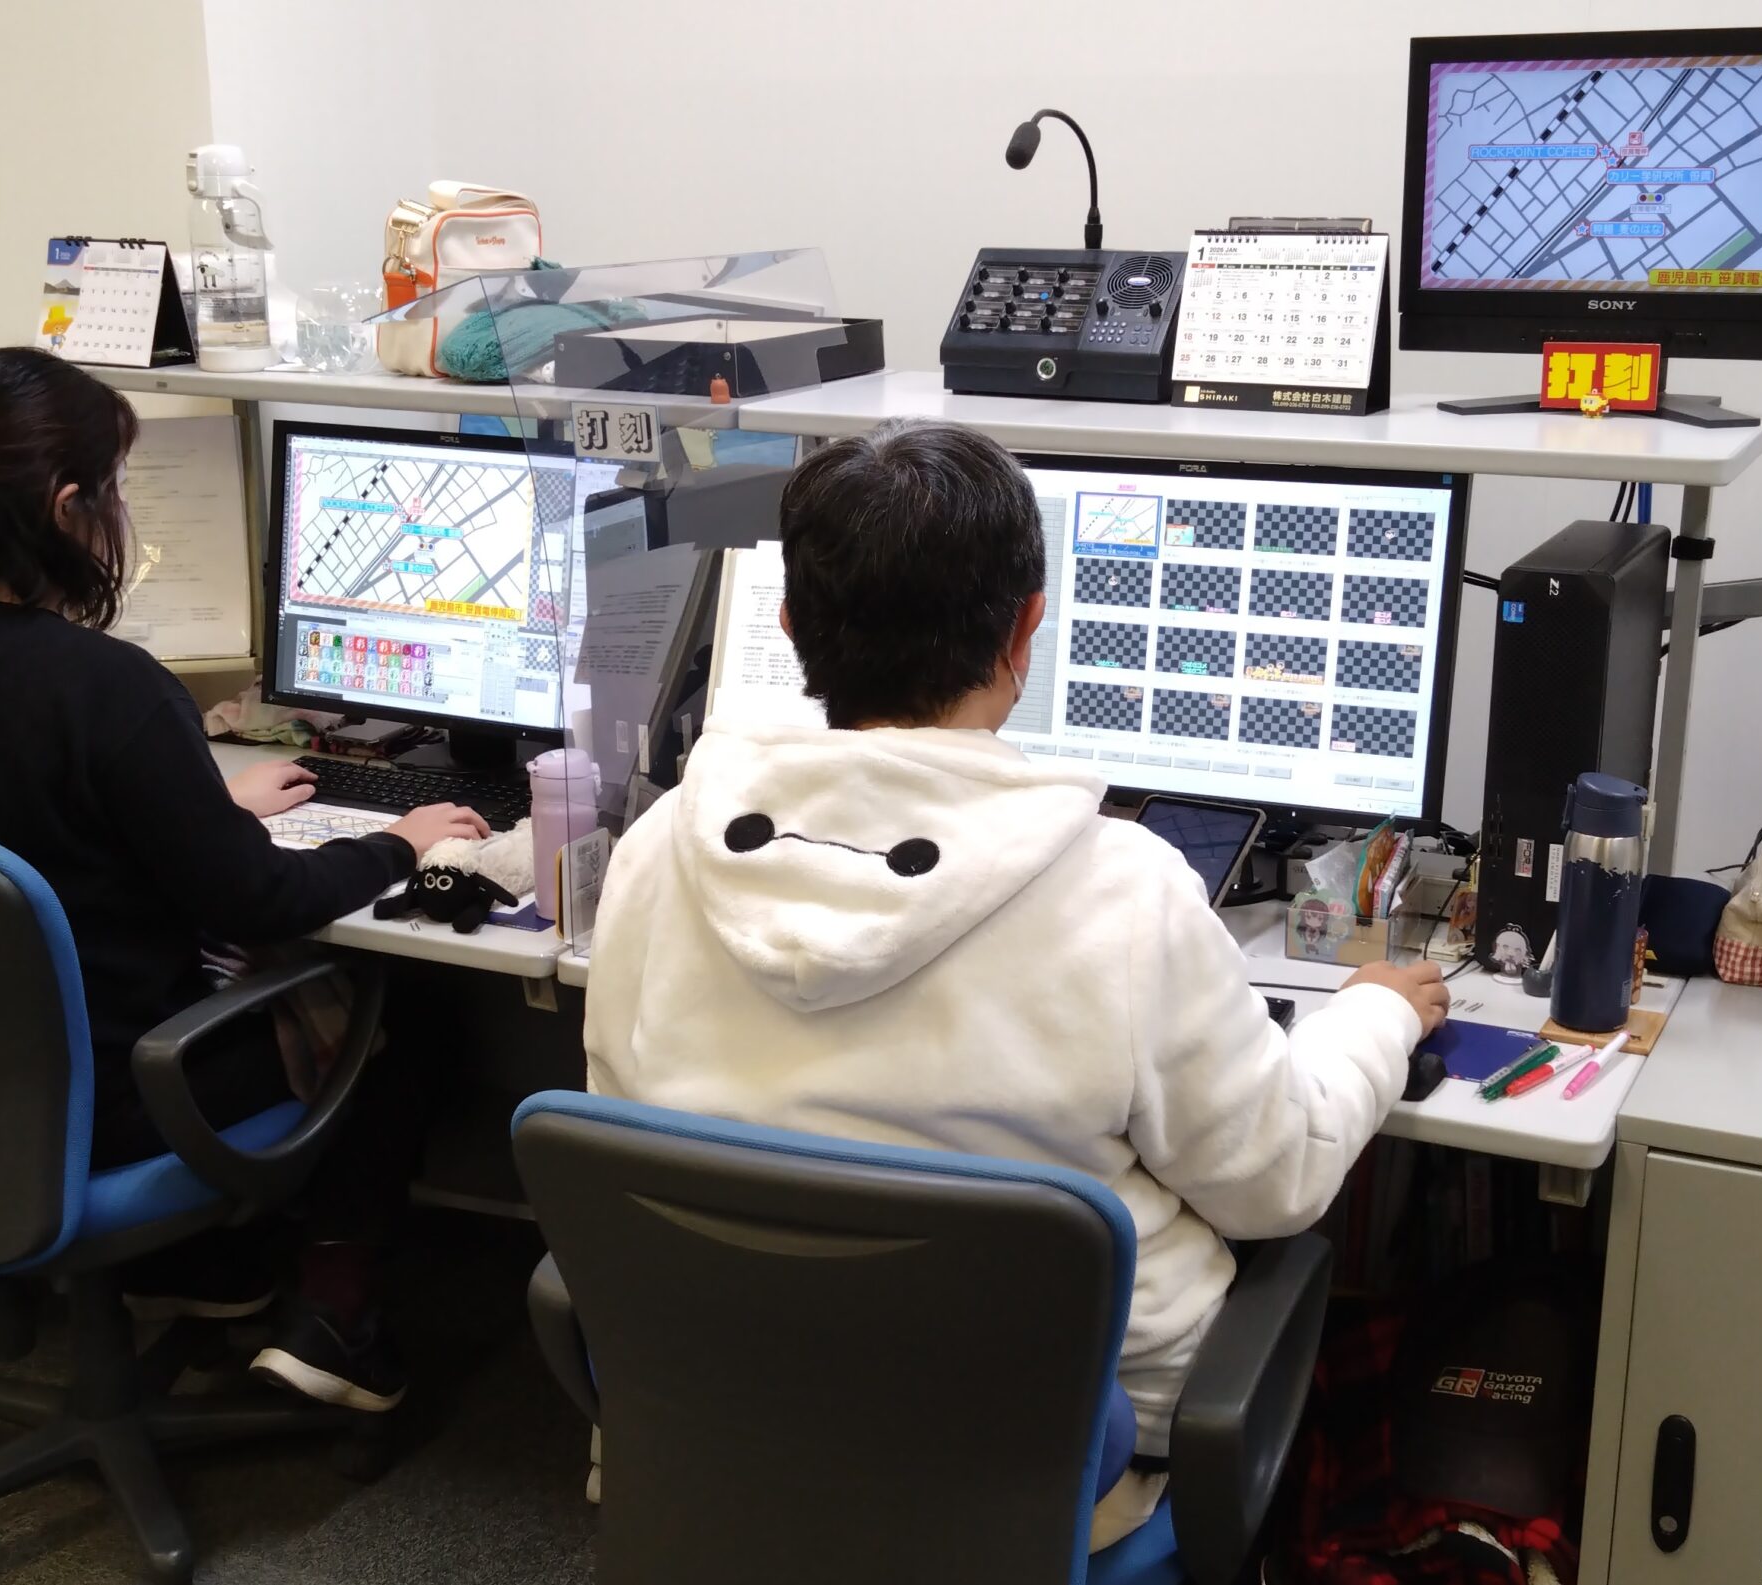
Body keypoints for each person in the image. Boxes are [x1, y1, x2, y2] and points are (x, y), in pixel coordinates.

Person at [582, 419, 1448, 1545]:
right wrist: (1376, 1013)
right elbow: (1275, 1178)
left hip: (739, 1421)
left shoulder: (659, 851)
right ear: (1027, 627)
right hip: (1059, 1467)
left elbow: (622, 1136)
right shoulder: (1122, 890)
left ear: (790, 626)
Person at [0, 346, 483, 1411]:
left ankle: (204, 1267)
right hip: (130, 1093)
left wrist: (202, 806)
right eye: (118, 487)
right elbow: (260, 900)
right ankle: (337, 1316)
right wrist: (402, 841)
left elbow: (24, 821)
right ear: (66, 507)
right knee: (400, 1003)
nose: (124, 511)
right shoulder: (110, 687)